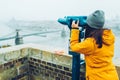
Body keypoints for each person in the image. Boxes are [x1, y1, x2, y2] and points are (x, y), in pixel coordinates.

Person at [70, 10, 119, 80]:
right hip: (112, 76)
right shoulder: (109, 37)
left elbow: (74, 47)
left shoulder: (91, 43)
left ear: (90, 26)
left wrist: (74, 29)